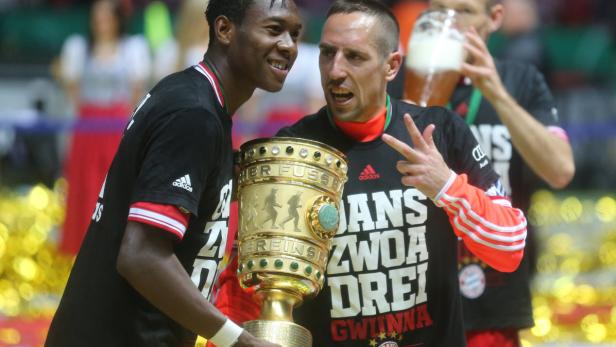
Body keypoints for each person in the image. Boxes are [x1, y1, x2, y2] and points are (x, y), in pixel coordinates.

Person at [214, 0, 528, 345]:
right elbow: (245, 288)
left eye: (355, 57)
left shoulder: (441, 132)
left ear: (392, 65)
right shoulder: (294, 148)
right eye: (327, 53)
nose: (335, 71)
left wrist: (447, 187)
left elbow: (510, 247)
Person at [45, 0, 302, 346]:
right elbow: (141, 256)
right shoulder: (194, 114)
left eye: (295, 34)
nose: (289, 46)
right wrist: (239, 340)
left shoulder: (197, 99)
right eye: (274, 30)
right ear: (224, 30)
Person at [391, 0, 575, 346]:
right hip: (413, 291)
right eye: (437, 11)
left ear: (494, 19)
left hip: (494, 292)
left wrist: (496, 92)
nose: (449, 22)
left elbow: (561, 170)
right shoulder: (398, 80)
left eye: (463, 12)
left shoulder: (520, 80)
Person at [57, 0, 151, 254]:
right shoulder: (79, 48)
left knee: (114, 182)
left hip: (116, 126)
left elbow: (136, 94)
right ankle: (82, 243)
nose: (101, 22)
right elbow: (73, 92)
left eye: (106, 17)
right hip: (87, 127)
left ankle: (113, 241)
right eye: (97, 17)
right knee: (85, 183)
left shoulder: (131, 49)